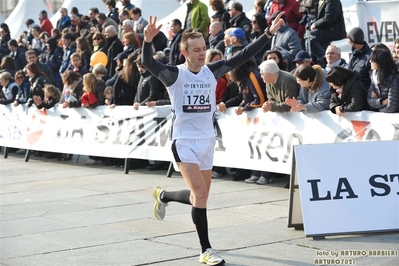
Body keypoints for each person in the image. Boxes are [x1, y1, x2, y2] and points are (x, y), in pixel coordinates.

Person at [142, 13, 284, 265]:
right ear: (184, 52)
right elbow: (149, 64)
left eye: (204, 48)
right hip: (184, 142)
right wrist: (148, 41)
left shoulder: (212, 71)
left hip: (207, 141)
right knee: (201, 194)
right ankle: (205, 250)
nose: (201, 53)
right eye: (196, 50)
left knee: (201, 195)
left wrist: (268, 34)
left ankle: (163, 196)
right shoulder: (174, 75)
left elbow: (243, 55)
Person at [367, 49, 399, 113]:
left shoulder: (394, 79)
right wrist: (382, 102)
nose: (370, 61)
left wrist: (378, 108)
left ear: (379, 62)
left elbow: (392, 107)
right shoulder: (374, 77)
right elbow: (369, 100)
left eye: (372, 60)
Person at [347, 27, 372, 92]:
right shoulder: (354, 54)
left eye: (349, 39)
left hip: (363, 94)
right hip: (353, 92)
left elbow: (373, 80)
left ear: (353, 41)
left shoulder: (371, 56)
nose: (347, 41)